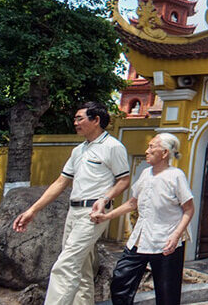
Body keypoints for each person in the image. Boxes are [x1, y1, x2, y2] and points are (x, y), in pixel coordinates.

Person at [12, 101, 130, 305]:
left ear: (96, 120)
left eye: (79, 118)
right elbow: (60, 182)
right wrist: (32, 211)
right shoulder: (79, 150)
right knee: (82, 268)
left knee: (65, 264)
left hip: (93, 214)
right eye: (75, 118)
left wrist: (105, 198)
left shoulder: (113, 147)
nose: (75, 122)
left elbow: (124, 180)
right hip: (73, 211)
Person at [93, 133, 194, 305]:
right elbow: (133, 203)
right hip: (140, 238)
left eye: (151, 147)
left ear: (164, 153)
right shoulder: (146, 173)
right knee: (121, 280)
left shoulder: (176, 176)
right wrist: (107, 216)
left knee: (167, 292)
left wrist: (176, 235)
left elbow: (189, 209)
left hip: (167, 239)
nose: (147, 151)